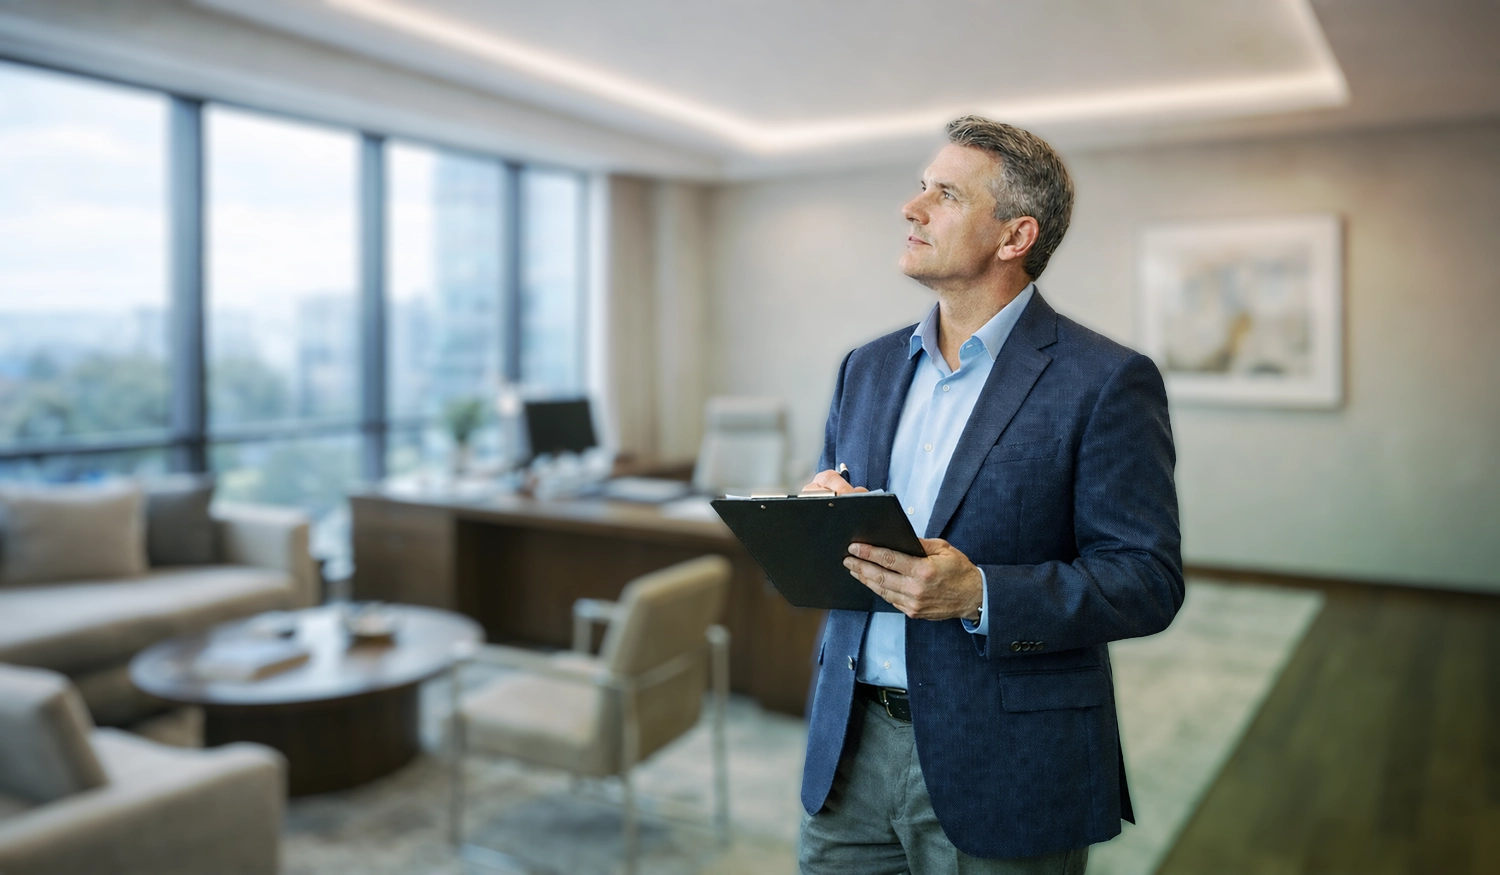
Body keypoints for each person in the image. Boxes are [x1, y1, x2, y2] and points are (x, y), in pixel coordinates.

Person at [798, 116, 1184, 874]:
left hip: (1006, 758)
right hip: (847, 752)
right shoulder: (864, 368)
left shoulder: (1105, 381)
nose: (912, 209)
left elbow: (1147, 580)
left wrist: (979, 592)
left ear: (1015, 237)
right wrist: (817, 515)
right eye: (919, 188)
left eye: (944, 194)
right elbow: (840, 527)